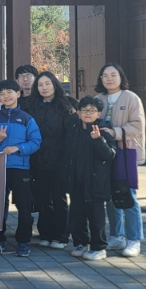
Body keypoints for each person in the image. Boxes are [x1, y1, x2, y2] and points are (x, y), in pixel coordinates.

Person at [0, 79, 42, 258]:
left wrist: (18, 148)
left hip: (20, 168)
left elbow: (36, 141)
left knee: (24, 206)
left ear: (18, 94)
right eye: (2, 94)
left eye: (9, 92)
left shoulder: (27, 118)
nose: (6, 96)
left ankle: (23, 242)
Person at [95, 62, 146, 258]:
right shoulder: (98, 99)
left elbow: (137, 126)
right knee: (110, 194)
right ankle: (117, 235)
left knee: (128, 194)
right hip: (104, 153)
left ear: (121, 77)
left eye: (113, 74)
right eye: (105, 75)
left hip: (125, 152)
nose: (109, 78)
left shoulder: (131, 98)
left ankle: (134, 239)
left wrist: (114, 131)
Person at [61, 97, 116, 261]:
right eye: (84, 110)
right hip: (76, 181)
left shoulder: (104, 130)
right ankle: (80, 243)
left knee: (96, 217)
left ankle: (99, 247)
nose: (87, 113)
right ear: (78, 113)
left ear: (98, 113)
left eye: (92, 111)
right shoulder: (73, 129)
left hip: (96, 182)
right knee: (76, 215)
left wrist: (98, 139)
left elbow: (109, 155)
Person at [26, 71, 76, 250]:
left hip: (59, 158)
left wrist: (67, 160)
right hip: (38, 158)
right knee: (43, 199)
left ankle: (61, 236)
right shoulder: (32, 107)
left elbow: (71, 137)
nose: (44, 88)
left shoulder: (66, 106)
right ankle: (45, 234)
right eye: (40, 85)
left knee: (59, 198)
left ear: (55, 85)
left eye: (47, 84)